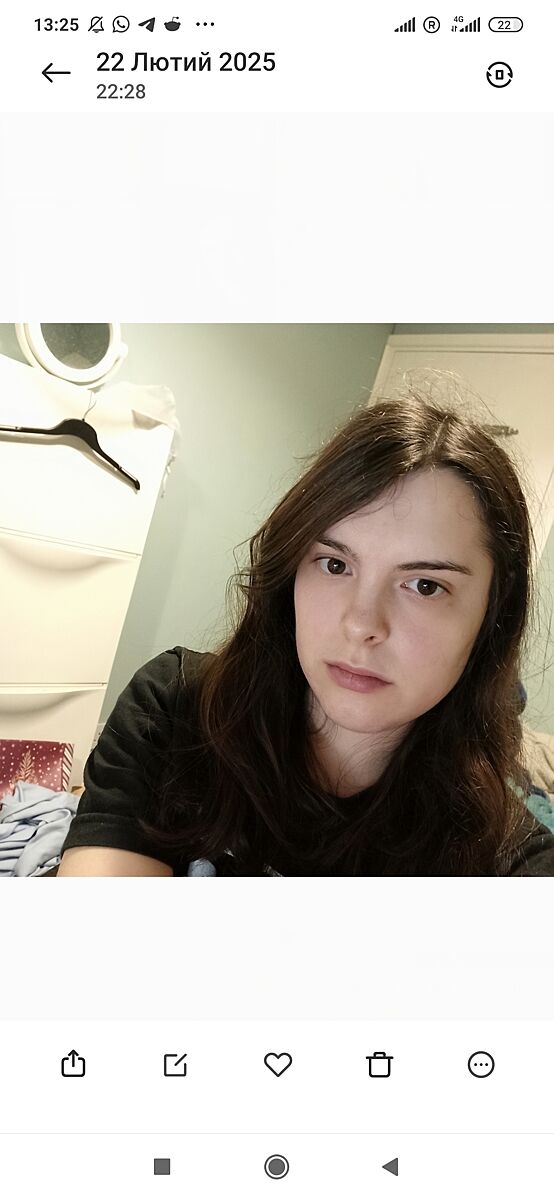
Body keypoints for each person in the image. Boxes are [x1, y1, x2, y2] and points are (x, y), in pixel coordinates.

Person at [57, 384, 554, 876]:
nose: (361, 624)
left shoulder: (506, 852)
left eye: (425, 585)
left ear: (493, 613)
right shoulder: (174, 710)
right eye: (335, 564)